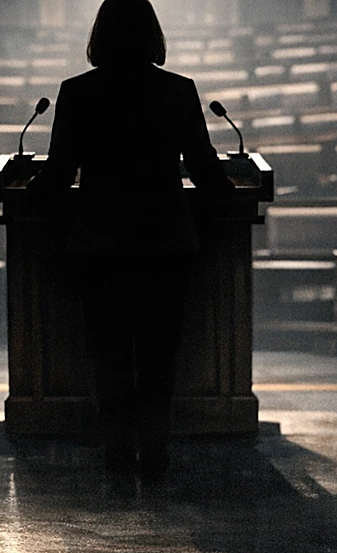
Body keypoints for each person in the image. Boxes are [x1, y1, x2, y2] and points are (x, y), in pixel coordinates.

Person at [27, 0, 235, 479]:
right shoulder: (178, 91)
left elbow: (58, 178)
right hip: (165, 241)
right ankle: (156, 455)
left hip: (101, 243)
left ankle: (118, 456)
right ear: (153, 35)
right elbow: (206, 174)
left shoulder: (76, 93)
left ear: (99, 35)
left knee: (110, 355)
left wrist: (28, 184)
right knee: (160, 356)